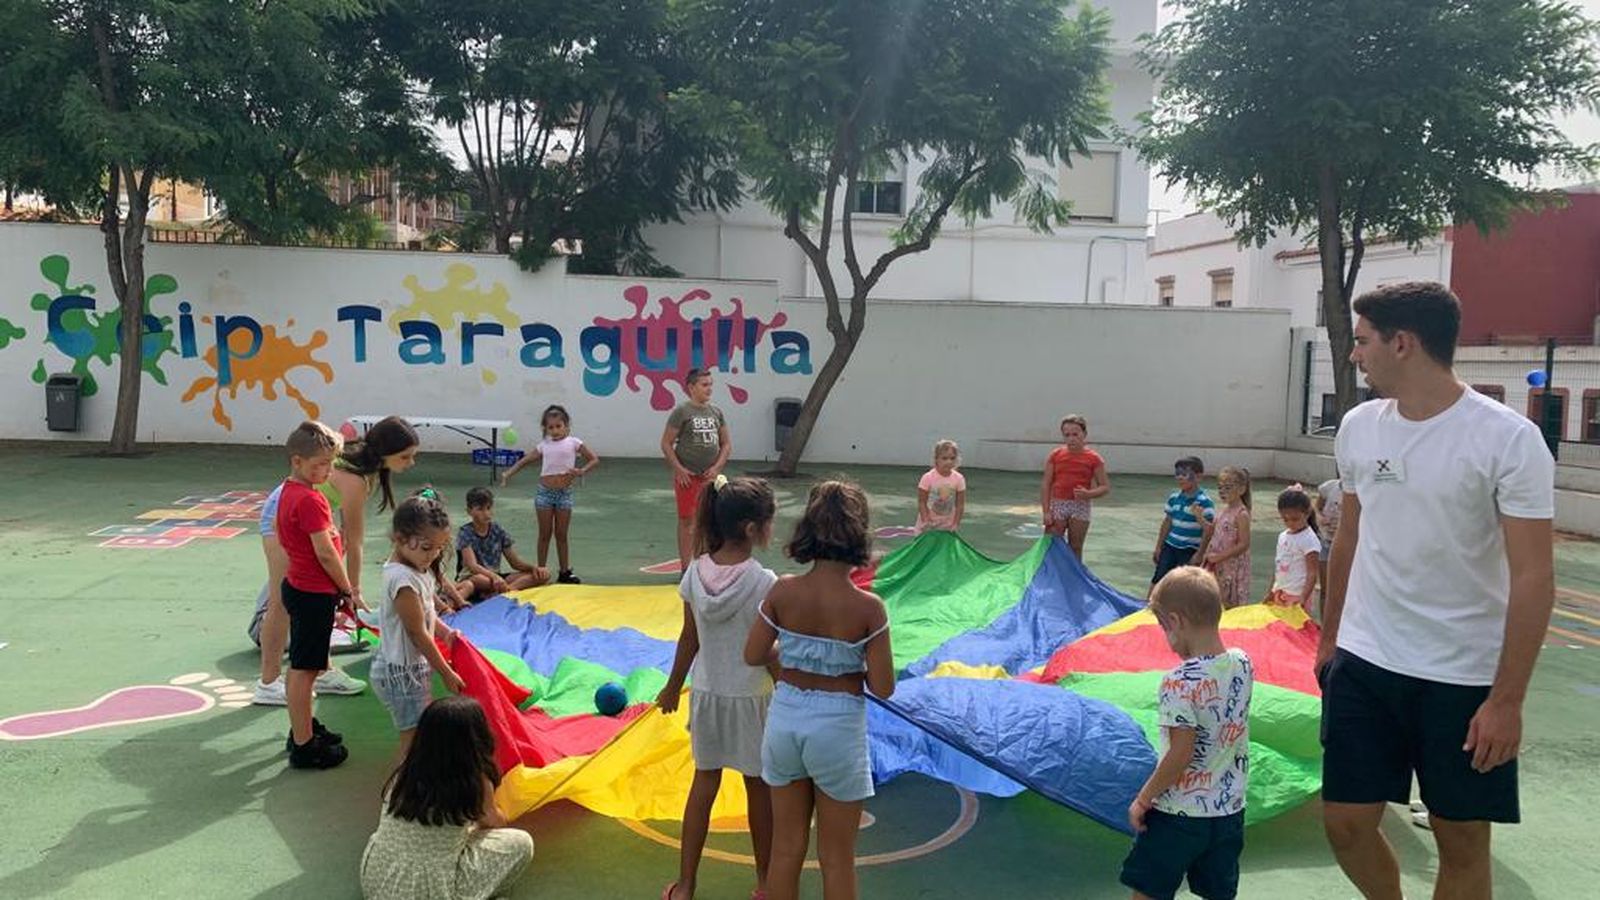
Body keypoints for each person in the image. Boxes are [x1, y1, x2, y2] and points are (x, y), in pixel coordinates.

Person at [1319, 282, 1555, 900]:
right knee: (1344, 824)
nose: (1354, 355)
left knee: (1460, 838)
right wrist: (1330, 640)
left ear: (1403, 343)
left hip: (1463, 676)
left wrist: (1507, 699)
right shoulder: (1360, 427)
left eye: (1363, 341)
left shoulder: (1507, 439)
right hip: (1366, 663)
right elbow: (1349, 537)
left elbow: (1533, 575)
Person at [743, 480, 894, 900]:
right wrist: (845, 667)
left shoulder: (784, 591)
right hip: (838, 728)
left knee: (785, 849)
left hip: (786, 720)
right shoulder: (869, 607)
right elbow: (883, 687)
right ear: (859, 535)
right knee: (836, 858)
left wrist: (798, 654)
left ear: (806, 530)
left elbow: (755, 653)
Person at [657, 476, 780, 900]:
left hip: (708, 695)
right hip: (750, 699)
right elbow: (767, 651)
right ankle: (765, 884)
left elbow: (688, 638)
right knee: (758, 790)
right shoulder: (764, 582)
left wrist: (673, 687)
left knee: (703, 784)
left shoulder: (694, 572)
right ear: (752, 529)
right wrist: (791, 688)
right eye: (769, 522)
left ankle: (686, 884)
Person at [252, 415, 425, 704]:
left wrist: (341, 586)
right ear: (385, 453)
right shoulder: (356, 478)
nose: (410, 462)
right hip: (281, 515)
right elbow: (355, 543)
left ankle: (323, 671)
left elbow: (344, 538)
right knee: (280, 600)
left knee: (318, 596)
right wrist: (351, 590)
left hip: (310, 517)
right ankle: (268, 683)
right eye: (405, 456)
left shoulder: (363, 468)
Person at [1121, 566, 1253, 900]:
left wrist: (1143, 798)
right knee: (1217, 891)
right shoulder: (1242, 663)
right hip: (1228, 812)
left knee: (1149, 887)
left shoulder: (1178, 681)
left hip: (1178, 814)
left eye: (1164, 628)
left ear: (1176, 622)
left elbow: (1181, 754)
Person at [359, 696, 535, 900]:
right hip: (427, 890)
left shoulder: (406, 770)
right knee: (521, 843)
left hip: (377, 880)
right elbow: (494, 823)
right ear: (476, 737)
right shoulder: (474, 782)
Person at [276, 421, 357, 770]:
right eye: (318, 465)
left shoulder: (290, 491)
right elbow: (325, 552)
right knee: (304, 670)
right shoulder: (310, 499)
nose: (325, 471)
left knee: (309, 666)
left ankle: (304, 727)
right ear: (297, 461)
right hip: (312, 592)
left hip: (301, 586)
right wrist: (346, 589)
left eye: (329, 464)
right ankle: (303, 744)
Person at [373, 496, 468, 756]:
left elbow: (426, 613)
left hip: (408, 670)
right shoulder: (402, 579)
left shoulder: (417, 569)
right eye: (427, 547)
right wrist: (445, 672)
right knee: (412, 735)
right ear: (400, 538)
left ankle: (410, 780)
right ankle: (400, 790)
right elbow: (417, 634)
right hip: (401, 675)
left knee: (417, 728)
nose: (433, 555)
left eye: (439, 548)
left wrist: (446, 633)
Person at [500, 404, 599, 584]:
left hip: (564, 494)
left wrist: (582, 470)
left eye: (558, 426)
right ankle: (541, 571)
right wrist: (508, 473)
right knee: (544, 534)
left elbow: (594, 459)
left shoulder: (574, 443)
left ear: (567, 426)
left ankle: (564, 572)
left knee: (561, 535)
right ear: (545, 429)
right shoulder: (544, 446)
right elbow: (525, 461)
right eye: (550, 427)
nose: (555, 430)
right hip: (544, 494)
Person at [661, 368, 732, 571]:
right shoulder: (682, 411)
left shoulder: (716, 412)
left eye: (711, 384)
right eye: (704, 385)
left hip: (710, 477)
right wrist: (679, 469)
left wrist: (717, 468)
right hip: (688, 476)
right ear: (691, 387)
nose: (709, 389)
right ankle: (686, 568)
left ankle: (709, 565)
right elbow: (666, 443)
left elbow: (726, 444)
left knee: (712, 520)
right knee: (687, 521)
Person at [455, 487, 549, 602]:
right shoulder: (465, 532)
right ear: (469, 511)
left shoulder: (497, 530)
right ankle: (500, 590)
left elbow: (515, 563)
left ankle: (507, 590)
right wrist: (494, 577)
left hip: (497, 578)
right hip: (475, 577)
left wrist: (535, 568)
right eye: (480, 509)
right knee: (479, 580)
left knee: (543, 575)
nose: (486, 513)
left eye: (488, 508)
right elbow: (472, 566)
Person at [1039, 415, 1110, 558]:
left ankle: (1074, 577)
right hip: (1059, 503)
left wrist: (1089, 494)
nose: (1071, 438)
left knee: (1076, 547)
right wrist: (1046, 511)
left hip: (1080, 506)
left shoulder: (1094, 458)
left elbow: (1105, 487)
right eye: (1067, 435)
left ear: (1084, 435)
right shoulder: (1056, 455)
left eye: (1075, 434)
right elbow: (1046, 484)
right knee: (1050, 544)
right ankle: (1048, 575)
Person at [1150, 457, 1215, 598]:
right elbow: (1167, 522)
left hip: (1189, 549)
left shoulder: (1205, 502)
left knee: (1183, 583)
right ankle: (1148, 605)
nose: (1179, 478)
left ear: (1198, 477)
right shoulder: (1174, 498)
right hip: (1170, 545)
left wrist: (1200, 553)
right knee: (1159, 576)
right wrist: (1159, 546)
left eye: (1184, 474)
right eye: (1177, 474)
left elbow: (1208, 530)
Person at [1264, 486, 1321, 615]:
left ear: (1307, 513)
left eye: (1295, 519)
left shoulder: (1309, 539)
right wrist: (1271, 591)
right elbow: (1278, 566)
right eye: (1285, 519)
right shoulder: (1283, 536)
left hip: (1297, 595)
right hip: (1280, 593)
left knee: (1296, 632)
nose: (1290, 523)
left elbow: (1312, 573)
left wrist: (1303, 598)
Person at [1202, 466, 1253, 609]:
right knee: (1217, 596)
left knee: (1230, 599)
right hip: (1218, 563)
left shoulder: (1241, 514)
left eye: (1228, 488)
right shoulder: (1223, 510)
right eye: (1220, 488)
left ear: (1242, 489)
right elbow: (1212, 530)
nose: (1222, 492)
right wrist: (1199, 518)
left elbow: (1244, 544)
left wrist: (1220, 557)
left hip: (1231, 565)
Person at [916, 440, 966, 533]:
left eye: (952, 458)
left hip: (947, 526)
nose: (948, 462)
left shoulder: (959, 479)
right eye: (944, 458)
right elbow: (922, 502)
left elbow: (960, 505)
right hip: (928, 525)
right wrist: (925, 520)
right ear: (936, 459)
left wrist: (955, 524)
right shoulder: (928, 477)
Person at [1313, 468, 1342, 609]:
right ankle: (1325, 625)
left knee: (1341, 588)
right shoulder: (1329, 488)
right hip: (1326, 540)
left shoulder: (1359, 492)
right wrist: (1320, 518)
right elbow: (1316, 507)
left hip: (1344, 544)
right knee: (1325, 589)